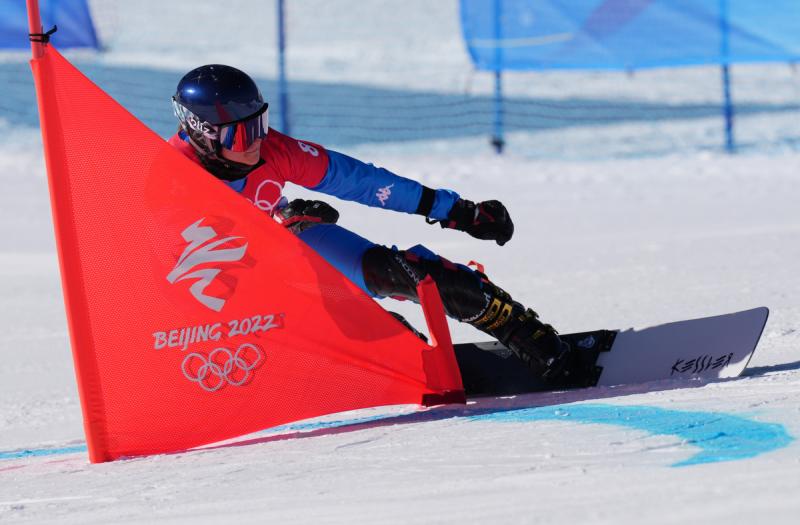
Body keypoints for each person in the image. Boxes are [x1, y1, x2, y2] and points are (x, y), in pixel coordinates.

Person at [169, 64, 580, 387]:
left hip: (286, 247)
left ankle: (524, 333)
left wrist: (456, 211)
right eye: (242, 134)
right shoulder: (170, 180)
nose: (257, 139)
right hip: (233, 304)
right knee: (367, 326)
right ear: (204, 135)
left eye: (259, 123)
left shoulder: (275, 150)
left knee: (418, 276)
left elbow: (363, 182)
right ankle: (389, 350)